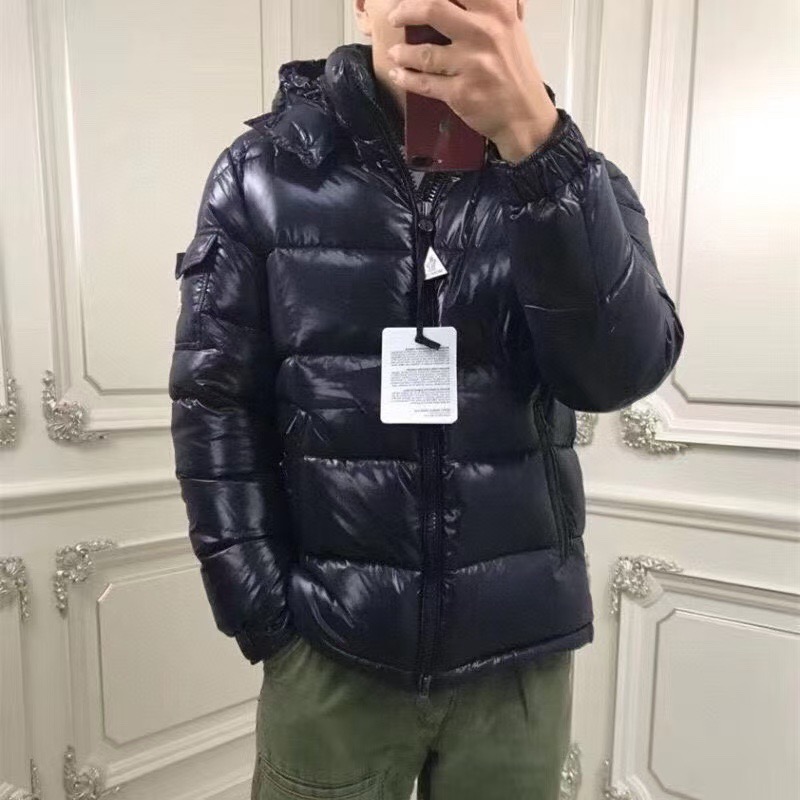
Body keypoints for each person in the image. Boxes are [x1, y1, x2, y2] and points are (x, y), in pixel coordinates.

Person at [168, 1, 684, 797]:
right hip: (331, 650)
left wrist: (538, 149)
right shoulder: (263, 172)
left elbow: (619, 374)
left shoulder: (573, 176)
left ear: (513, 9)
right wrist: (263, 613)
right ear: (364, 5)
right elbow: (214, 401)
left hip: (518, 658)